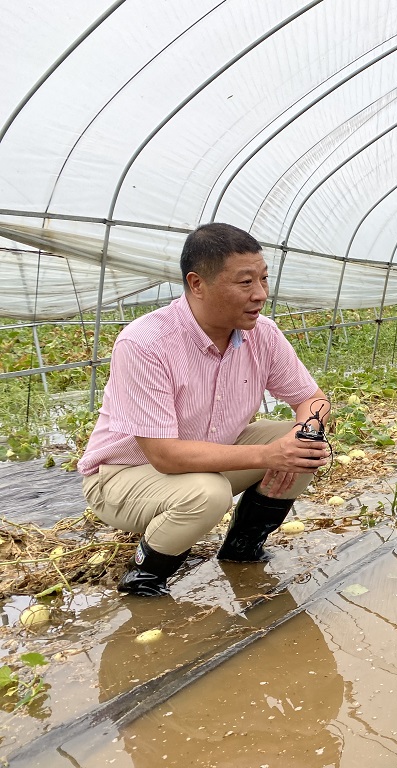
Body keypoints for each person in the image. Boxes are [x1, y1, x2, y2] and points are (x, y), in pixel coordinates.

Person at [78, 223, 331, 597]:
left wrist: (304, 430)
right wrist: (269, 454)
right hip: (125, 476)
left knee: (304, 442)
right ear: (197, 284)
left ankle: (242, 550)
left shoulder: (263, 334)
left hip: (207, 461)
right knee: (208, 493)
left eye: (263, 279)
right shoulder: (146, 343)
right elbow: (164, 456)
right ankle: (145, 578)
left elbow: (314, 398)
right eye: (245, 283)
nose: (260, 295)